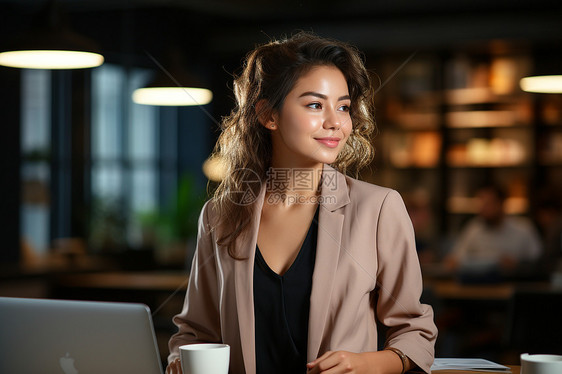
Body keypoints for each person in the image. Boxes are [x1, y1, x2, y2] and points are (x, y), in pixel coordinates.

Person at [166, 32, 437, 374]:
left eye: (343, 106)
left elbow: (415, 332)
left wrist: (367, 364)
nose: (335, 122)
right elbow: (196, 332)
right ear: (268, 115)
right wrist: (180, 361)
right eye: (314, 104)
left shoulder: (379, 208)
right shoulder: (220, 215)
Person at [445, 185, 542, 280]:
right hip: (476, 285)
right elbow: (455, 259)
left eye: (487, 204)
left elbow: (539, 263)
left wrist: (517, 265)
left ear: (501, 204)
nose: (482, 209)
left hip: (513, 284)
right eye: (480, 204)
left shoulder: (523, 228)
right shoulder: (474, 227)